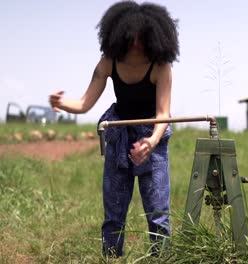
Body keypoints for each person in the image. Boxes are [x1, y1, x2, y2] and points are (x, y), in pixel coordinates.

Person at [49, 1, 179, 257]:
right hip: (119, 135)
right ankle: (111, 259)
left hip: (151, 136)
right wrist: (61, 102)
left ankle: (161, 259)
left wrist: (151, 142)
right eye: (131, 38)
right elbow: (85, 103)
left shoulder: (161, 66)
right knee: (113, 215)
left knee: (158, 215)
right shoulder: (109, 62)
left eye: (142, 38)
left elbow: (163, 114)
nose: (136, 44)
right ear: (119, 35)